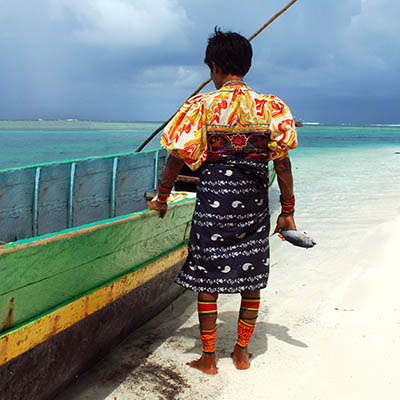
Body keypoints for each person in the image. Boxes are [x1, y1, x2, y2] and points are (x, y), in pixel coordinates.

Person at [147, 28, 297, 374]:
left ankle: (209, 359)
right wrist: (287, 211)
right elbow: (283, 163)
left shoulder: (202, 105)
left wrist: (162, 197)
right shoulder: (270, 107)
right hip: (254, 205)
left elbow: (177, 156)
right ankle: (242, 353)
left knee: (206, 280)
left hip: (214, 201)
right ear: (246, 65)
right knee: (251, 278)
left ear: (214, 67)